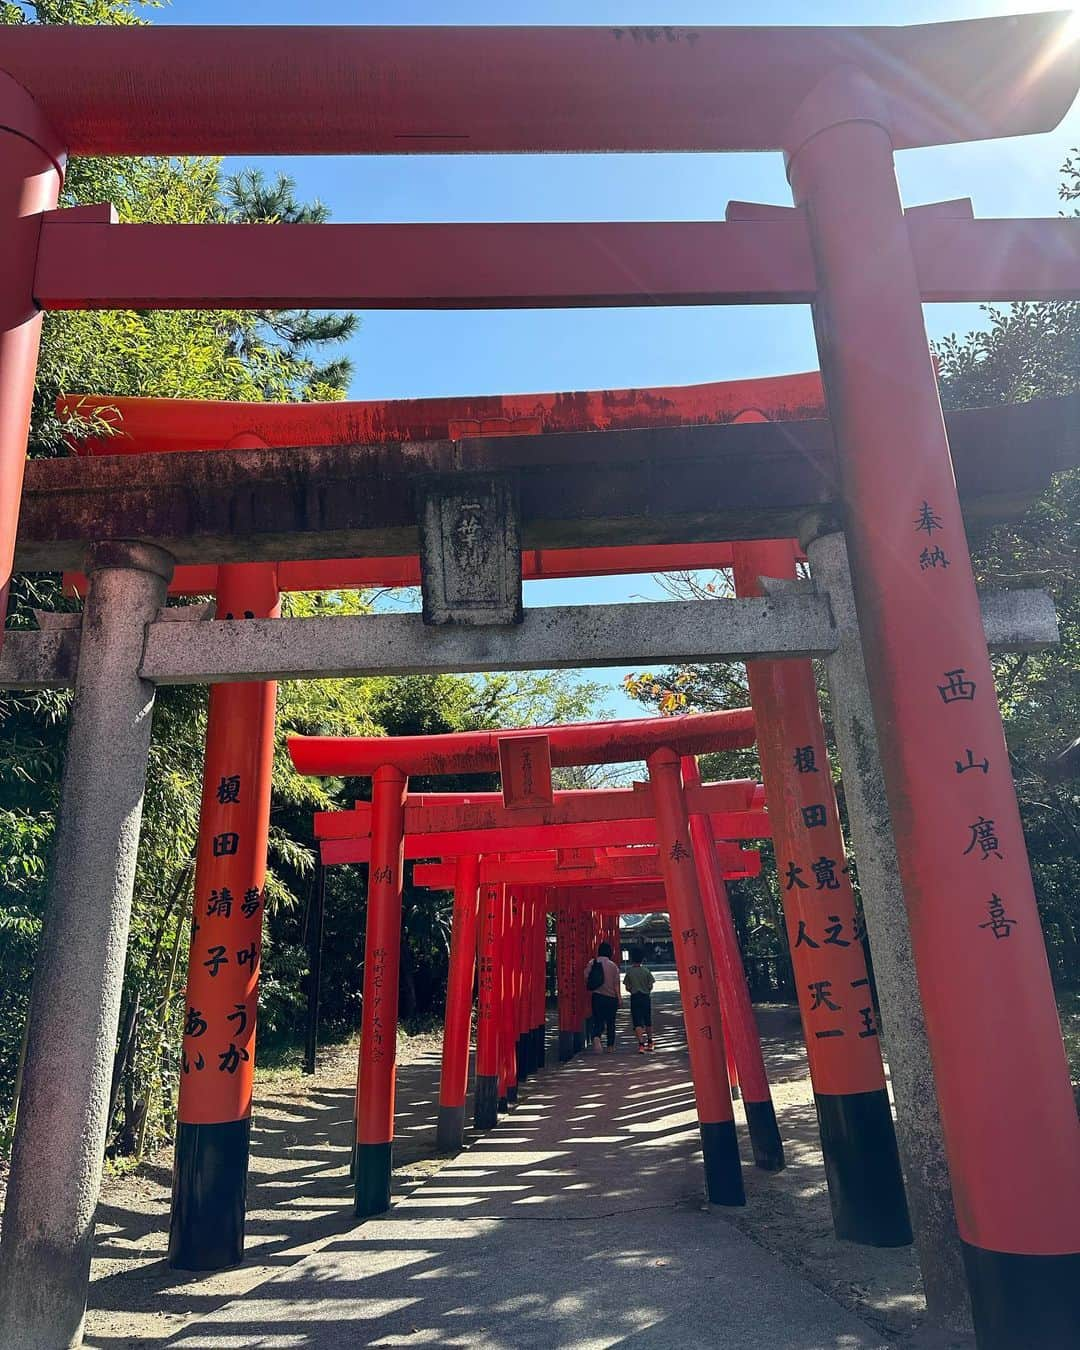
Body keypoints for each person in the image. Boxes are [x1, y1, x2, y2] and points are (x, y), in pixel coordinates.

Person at [584, 941, 621, 1053]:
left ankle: (596, 1037)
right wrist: (619, 998)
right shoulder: (613, 966)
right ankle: (610, 1046)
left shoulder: (592, 963)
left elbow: (586, 977)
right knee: (611, 1022)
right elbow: (616, 984)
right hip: (611, 998)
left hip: (597, 996)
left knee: (598, 1019)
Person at [624, 945, 655, 1053]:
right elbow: (651, 986)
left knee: (637, 1021)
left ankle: (641, 1044)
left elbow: (627, 987)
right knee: (648, 1020)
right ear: (642, 958)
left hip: (635, 997)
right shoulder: (646, 971)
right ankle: (650, 1042)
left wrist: (633, 989)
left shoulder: (629, 972)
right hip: (645, 997)